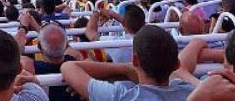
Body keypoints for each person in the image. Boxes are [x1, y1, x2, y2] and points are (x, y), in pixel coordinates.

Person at [60, 25, 195, 101]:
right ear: (176, 64)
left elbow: (68, 66)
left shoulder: (122, 96)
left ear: (135, 60)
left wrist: (125, 70)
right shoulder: (192, 92)